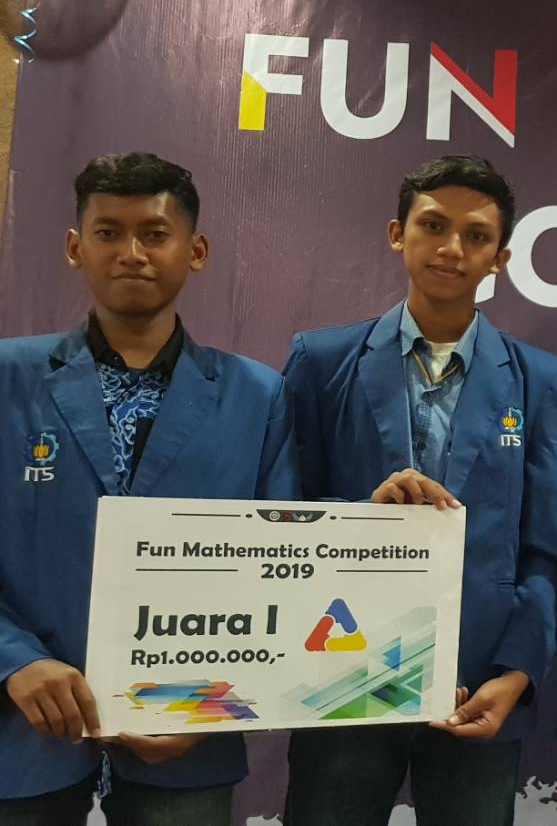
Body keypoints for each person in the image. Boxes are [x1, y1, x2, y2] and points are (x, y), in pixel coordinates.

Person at [0, 152, 297, 825]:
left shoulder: (258, 397)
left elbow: (281, 573)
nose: (131, 253)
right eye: (108, 233)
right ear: (75, 248)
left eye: (155, 234)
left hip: (188, 735)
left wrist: (214, 702)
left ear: (195, 251)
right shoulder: (8, 379)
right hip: (24, 728)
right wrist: (12, 661)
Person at [281, 155, 557, 825]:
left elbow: (548, 549)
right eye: (434, 226)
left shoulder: (544, 380)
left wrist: (516, 674)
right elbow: (280, 517)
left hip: (478, 685)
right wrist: (363, 515)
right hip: (342, 674)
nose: (452, 248)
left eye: (476, 236)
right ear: (397, 233)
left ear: (500, 257)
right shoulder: (321, 361)